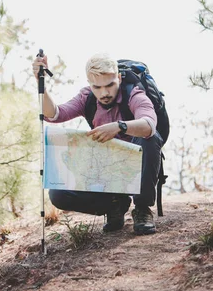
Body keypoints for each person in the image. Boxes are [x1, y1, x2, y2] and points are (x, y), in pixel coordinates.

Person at [32, 52, 163, 235]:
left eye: (110, 85)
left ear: (118, 77)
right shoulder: (87, 98)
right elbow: (55, 114)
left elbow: (149, 126)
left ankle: (142, 209)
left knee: (151, 138)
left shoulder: (134, 94)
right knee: (58, 195)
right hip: (104, 168)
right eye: (97, 87)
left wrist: (119, 127)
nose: (104, 93)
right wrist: (42, 84)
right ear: (89, 84)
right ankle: (114, 206)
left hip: (136, 166)